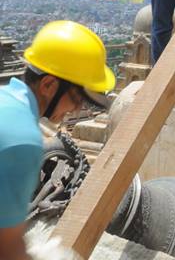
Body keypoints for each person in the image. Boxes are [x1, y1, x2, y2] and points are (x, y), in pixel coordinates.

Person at [0, 20, 115, 260]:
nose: (76, 110)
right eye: (76, 98)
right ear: (49, 85)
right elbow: (7, 250)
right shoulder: (23, 140)